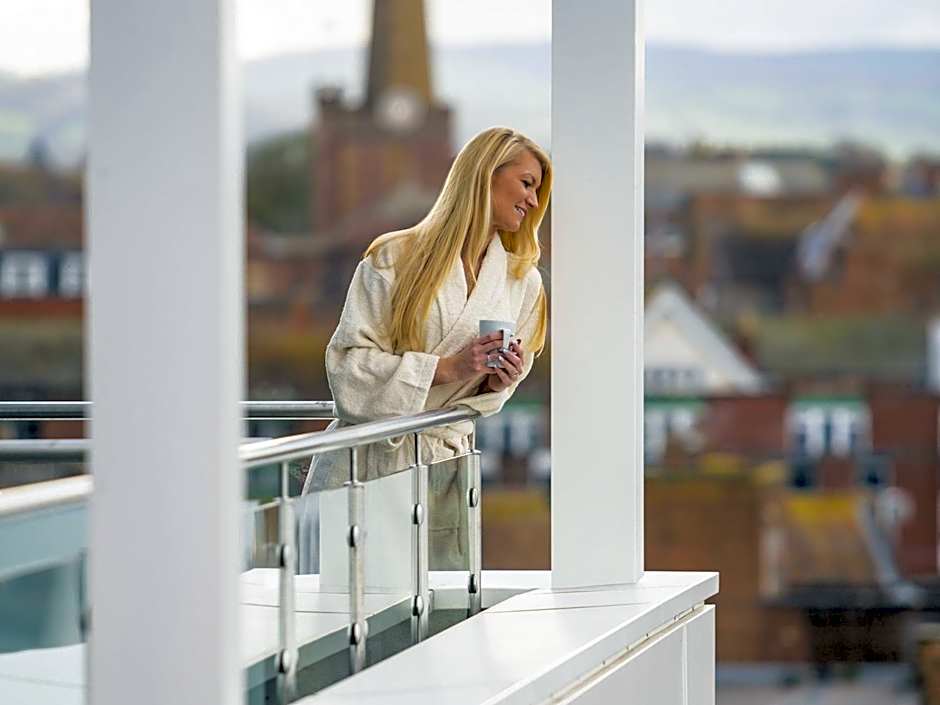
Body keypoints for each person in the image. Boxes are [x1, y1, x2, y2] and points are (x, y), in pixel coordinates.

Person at [300, 127, 551, 567]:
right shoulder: (393, 258)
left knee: (440, 604)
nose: (533, 201)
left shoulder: (522, 282)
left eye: (537, 191)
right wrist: (449, 368)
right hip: (368, 466)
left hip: (446, 469)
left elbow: (495, 390)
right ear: (486, 175)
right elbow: (347, 367)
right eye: (527, 183)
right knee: (347, 604)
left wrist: (497, 381)